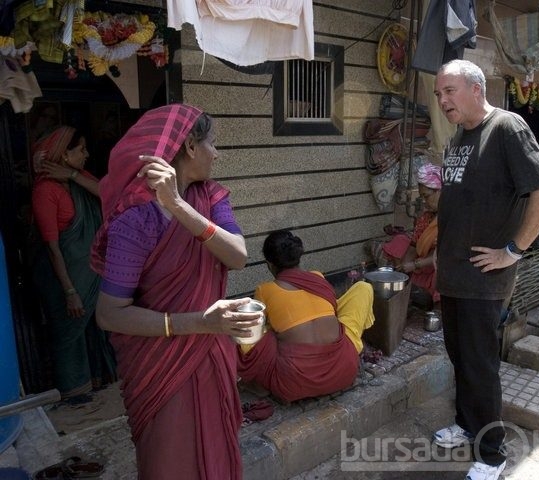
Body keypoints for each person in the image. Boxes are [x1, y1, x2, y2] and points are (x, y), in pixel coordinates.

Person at [90, 104, 263, 480]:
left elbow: (238, 256)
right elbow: (110, 313)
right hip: (160, 364)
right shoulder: (135, 221)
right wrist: (199, 322)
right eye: (212, 143)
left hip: (211, 348)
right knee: (171, 458)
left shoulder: (211, 197)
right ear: (189, 147)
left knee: (216, 445)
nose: (217, 153)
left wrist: (178, 205)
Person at [432, 59, 539, 480]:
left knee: (480, 365)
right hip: (452, 272)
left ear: (475, 88)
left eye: (449, 90)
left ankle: (492, 454)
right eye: (439, 94)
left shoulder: (507, 128)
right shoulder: (458, 138)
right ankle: (467, 424)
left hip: (483, 277)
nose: (443, 100)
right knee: (461, 357)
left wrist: (513, 250)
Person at [236, 229, 375, 403]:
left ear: (269, 264)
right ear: (298, 257)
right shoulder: (317, 277)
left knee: (248, 320)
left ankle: (257, 380)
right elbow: (332, 309)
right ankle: (359, 347)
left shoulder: (264, 290)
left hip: (293, 382)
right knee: (364, 288)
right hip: (344, 369)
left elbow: (259, 328)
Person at [30, 126, 117, 404]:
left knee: (96, 331)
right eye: (80, 150)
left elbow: (110, 195)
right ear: (64, 155)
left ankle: (97, 384)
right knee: (70, 336)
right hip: (67, 280)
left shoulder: (79, 179)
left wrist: (73, 175)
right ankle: (74, 395)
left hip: (91, 275)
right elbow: (53, 248)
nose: (87, 154)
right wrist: (70, 291)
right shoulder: (45, 191)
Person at [381, 162, 441, 310]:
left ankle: (438, 309)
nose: (425, 202)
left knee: (443, 269)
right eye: (422, 197)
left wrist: (415, 265)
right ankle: (406, 286)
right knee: (400, 240)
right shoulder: (426, 217)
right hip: (420, 263)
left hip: (435, 265)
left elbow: (443, 252)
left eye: (427, 196)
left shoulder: (452, 217)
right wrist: (405, 269)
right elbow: (414, 244)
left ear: (440, 191)